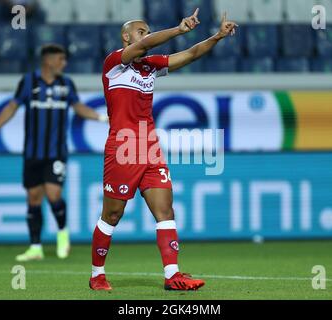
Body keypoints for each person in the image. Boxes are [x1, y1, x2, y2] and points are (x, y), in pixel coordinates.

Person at [90, 9, 237, 291]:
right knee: (112, 215)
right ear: (126, 37)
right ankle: (97, 274)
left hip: (150, 147)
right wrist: (179, 30)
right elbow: (144, 46)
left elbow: (192, 54)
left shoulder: (150, 67)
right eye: (141, 31)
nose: (145, 36)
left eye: (147, 31)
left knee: (165, 211)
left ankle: (173, 276)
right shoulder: (114, 64)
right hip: (122, 147)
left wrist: (217, 36)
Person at [0, 44, 108, 262]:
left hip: (56, 152)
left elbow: (79, 107)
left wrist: (103, 118)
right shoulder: (28, 82)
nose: (64, 63)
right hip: (32, 153)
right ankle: (35, 247)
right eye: (61, 59)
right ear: (48, 61)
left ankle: (62, 234)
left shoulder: (66, 84)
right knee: (33, 198)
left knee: (54, 194)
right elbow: (11, 107)